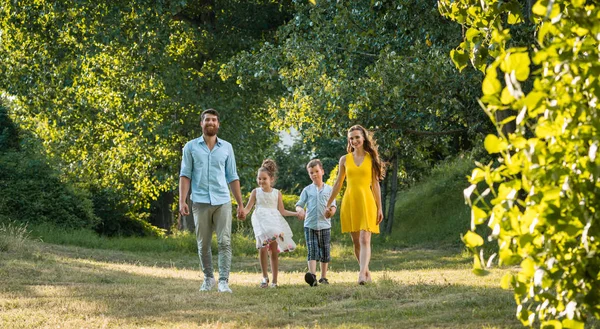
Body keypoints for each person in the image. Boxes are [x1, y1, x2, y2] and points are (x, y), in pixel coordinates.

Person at [178, 108, 245, 294]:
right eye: (207, 120)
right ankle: (208, 278)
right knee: (203, 244)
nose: (211, 123)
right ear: (201, 123)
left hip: (222, 200)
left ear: (218, 124)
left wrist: (240, 204)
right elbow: (185, 175)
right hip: (199, 201)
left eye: (214, 120)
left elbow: (232, 176)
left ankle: (223, 281)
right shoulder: (190, 147)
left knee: (225, 242)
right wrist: (182, 201)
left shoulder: (227, 147)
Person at [326, 125, 384, 285]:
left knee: (366, 238)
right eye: (351, 138)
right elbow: (338, 183)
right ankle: (366, 272)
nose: (354, 140)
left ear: (364, 138)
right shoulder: (344, 159)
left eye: (357, 137)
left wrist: (380, 207)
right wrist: (329, 203)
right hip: (350, 201)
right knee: (357, 241)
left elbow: (375, 184)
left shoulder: (371, 158)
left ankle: (361, 274)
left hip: (367, 201)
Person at [242, 159, 297, 288]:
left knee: (273, 250)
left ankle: (274, 280)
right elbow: (248, 208)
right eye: (259, 179)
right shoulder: (256, 192)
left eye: (264, 179)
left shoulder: (277, 193)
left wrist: (296, 213)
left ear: (271, 179)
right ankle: (264, 277)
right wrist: (242, 212)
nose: (261, 181)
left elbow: (282, 211)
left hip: (273, 221)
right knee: (262, 248)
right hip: (260, 221)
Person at [296, 159, 337, 287]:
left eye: (316, 171)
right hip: (310, 225)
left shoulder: (330, 189)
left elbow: (334, 206)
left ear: (322, 172)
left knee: (325, 251)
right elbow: (299, 205)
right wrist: (300, 210)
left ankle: (323, 277)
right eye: (311, 172)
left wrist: (330, 212)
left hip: (325, 225)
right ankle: (312, 276)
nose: (314, 174)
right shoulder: (307, 190)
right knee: (312, 250)